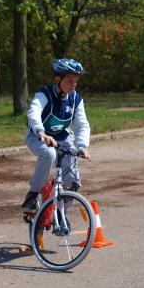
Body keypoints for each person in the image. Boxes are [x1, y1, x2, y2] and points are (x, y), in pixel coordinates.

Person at [21, 58, 91, 214]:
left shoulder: (76, 100)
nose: (73, 85)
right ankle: (32, 195)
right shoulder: (44, 94)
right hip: (38, 137)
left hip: (63, 139)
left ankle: (61, 216)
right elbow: (34, 112)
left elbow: (82, 124)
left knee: (73, 183)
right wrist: (41, 132)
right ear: (57, 79)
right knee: (49, 153)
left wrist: (82, 146)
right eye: (68, 80)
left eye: (75, 81)